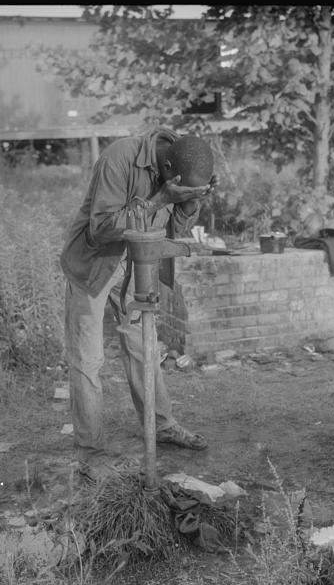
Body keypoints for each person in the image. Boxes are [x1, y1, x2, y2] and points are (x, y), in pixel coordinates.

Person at [60, 126, 218, 481]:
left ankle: (162, 425)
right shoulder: (120, 158)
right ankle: (90, 453)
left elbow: (175, 226)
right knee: (87, 360)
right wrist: (161, 199)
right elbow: (100, 228)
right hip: (94, 267)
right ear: (166, 168)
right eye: (178, 188)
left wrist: (190, 201)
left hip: (136, 264)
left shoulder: (181, 160)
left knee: (144, 348)